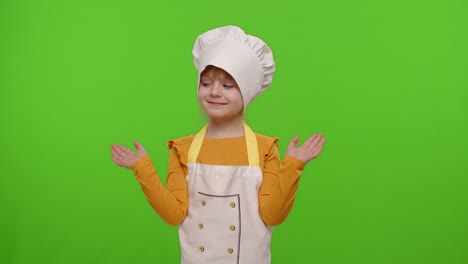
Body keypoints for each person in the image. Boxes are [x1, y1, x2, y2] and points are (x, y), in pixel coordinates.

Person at [110, 25, 326, 264]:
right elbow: (174, 215)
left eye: (227, 85)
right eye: (206, 83)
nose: (214, 92)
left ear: (247, 91)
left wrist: (293, 166)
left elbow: (272, 215)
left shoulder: (265, 149)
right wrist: (142, 168)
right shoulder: (183, 149)